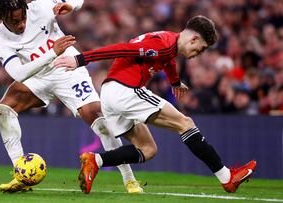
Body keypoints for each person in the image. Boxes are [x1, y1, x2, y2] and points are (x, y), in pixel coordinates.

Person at [53, 15, 257, 194]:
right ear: (194, 38)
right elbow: (123, 49)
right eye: (200, 49)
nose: (198, 54)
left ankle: (95, 160)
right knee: (185, 123)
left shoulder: (168, 41)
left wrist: (175, 81)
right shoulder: (162, 45)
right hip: (125, 90)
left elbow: (168, 60)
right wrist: (81, 59)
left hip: (110, 94)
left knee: (147, 149)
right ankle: (226, 177)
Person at [0, 0, 142, 193]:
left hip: (67, 68)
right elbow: (19, 74)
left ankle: (129, 180)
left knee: (99, 120)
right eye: (15, 21)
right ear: (2, 18)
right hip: (37, 77)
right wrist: (52, 52)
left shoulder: (41, 6)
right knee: (4, 109)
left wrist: (72, 5)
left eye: (23, 18)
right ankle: (22, 174)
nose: (21, 24)